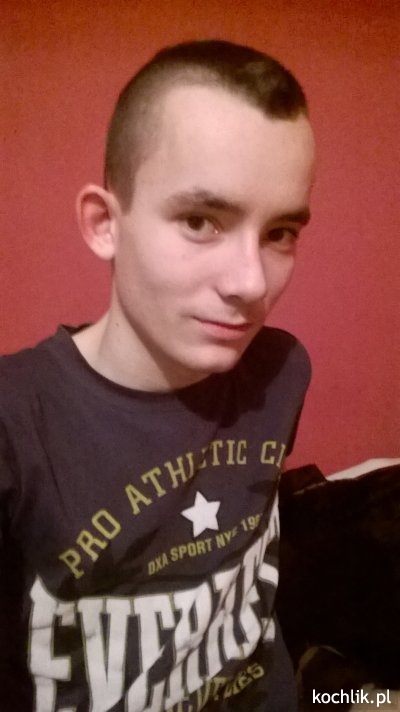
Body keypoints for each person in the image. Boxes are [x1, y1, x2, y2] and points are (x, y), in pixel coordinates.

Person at [0, 40, 316, 711]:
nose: (251, 282)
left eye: (280, 232)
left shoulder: (281, 372)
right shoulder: (15, 426)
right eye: (201, 221)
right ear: (104, 225)